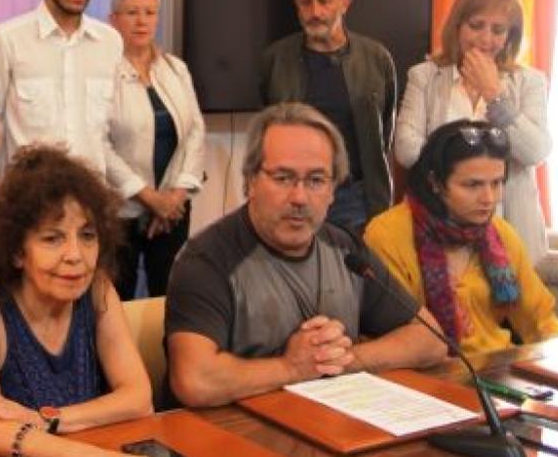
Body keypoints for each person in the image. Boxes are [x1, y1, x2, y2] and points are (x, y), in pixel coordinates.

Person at [164, 102, 446, 407]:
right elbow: (195, 381)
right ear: (250, 181)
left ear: (333, 190)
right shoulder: (206, 261)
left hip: (328, 421)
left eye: (315, 180)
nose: (299, 198)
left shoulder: (346, 250)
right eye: (283, 178)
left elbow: (431, 340)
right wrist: (292, 367)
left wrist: (345, 359)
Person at [0, 146, 152, 457]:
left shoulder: (97, 289)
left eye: (87, 236)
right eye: (53, 238)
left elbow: (139, 398)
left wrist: (43, 420)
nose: (75, 255)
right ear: (17, 250)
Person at [365, 120, 558, 356]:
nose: (489, 198)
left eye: (497, 183)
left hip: (499, 370)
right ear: (435, 183)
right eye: (472, 185)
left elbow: (540, 320)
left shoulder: (501, 234)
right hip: (424, 373)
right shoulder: (388, 234)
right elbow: (395, 332)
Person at [394, 0, 552, 260]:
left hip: (511, 233)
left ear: (510, 36)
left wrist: (494, 96)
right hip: (438, 228)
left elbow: (536, 151)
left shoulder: (530, 81)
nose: (486, 38)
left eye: (498, 30)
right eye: (476, 25)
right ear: (457, 25)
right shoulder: (425, 76)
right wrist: (465, 169)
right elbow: (406, 150)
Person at [259, 0, 397, 232]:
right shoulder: (275, 59)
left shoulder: (376, 58)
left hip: (356, 199)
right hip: (294, 197)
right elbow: (269, 126)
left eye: (324, 1)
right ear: (297, 5)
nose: (316, 12)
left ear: (345, 2)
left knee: (354, 274)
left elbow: (385, 132)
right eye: (306, 3)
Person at [0, 0, 123, 176]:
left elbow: (107, 131)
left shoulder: (110, 42)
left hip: (91, 197)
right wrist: (15, 186)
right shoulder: (6, 38)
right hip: (29, 200)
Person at [104, 0, 205, 300]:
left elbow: (195, 132)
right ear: (113, 20)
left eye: (149, 12)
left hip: (173, 211)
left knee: (171, 299)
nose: (141, 21)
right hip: (121, 211)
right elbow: (98, 143)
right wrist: (148, 197)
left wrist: (174, 196)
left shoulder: (175, 68)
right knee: (115, 302)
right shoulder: (101, 73)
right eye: (131, 12)